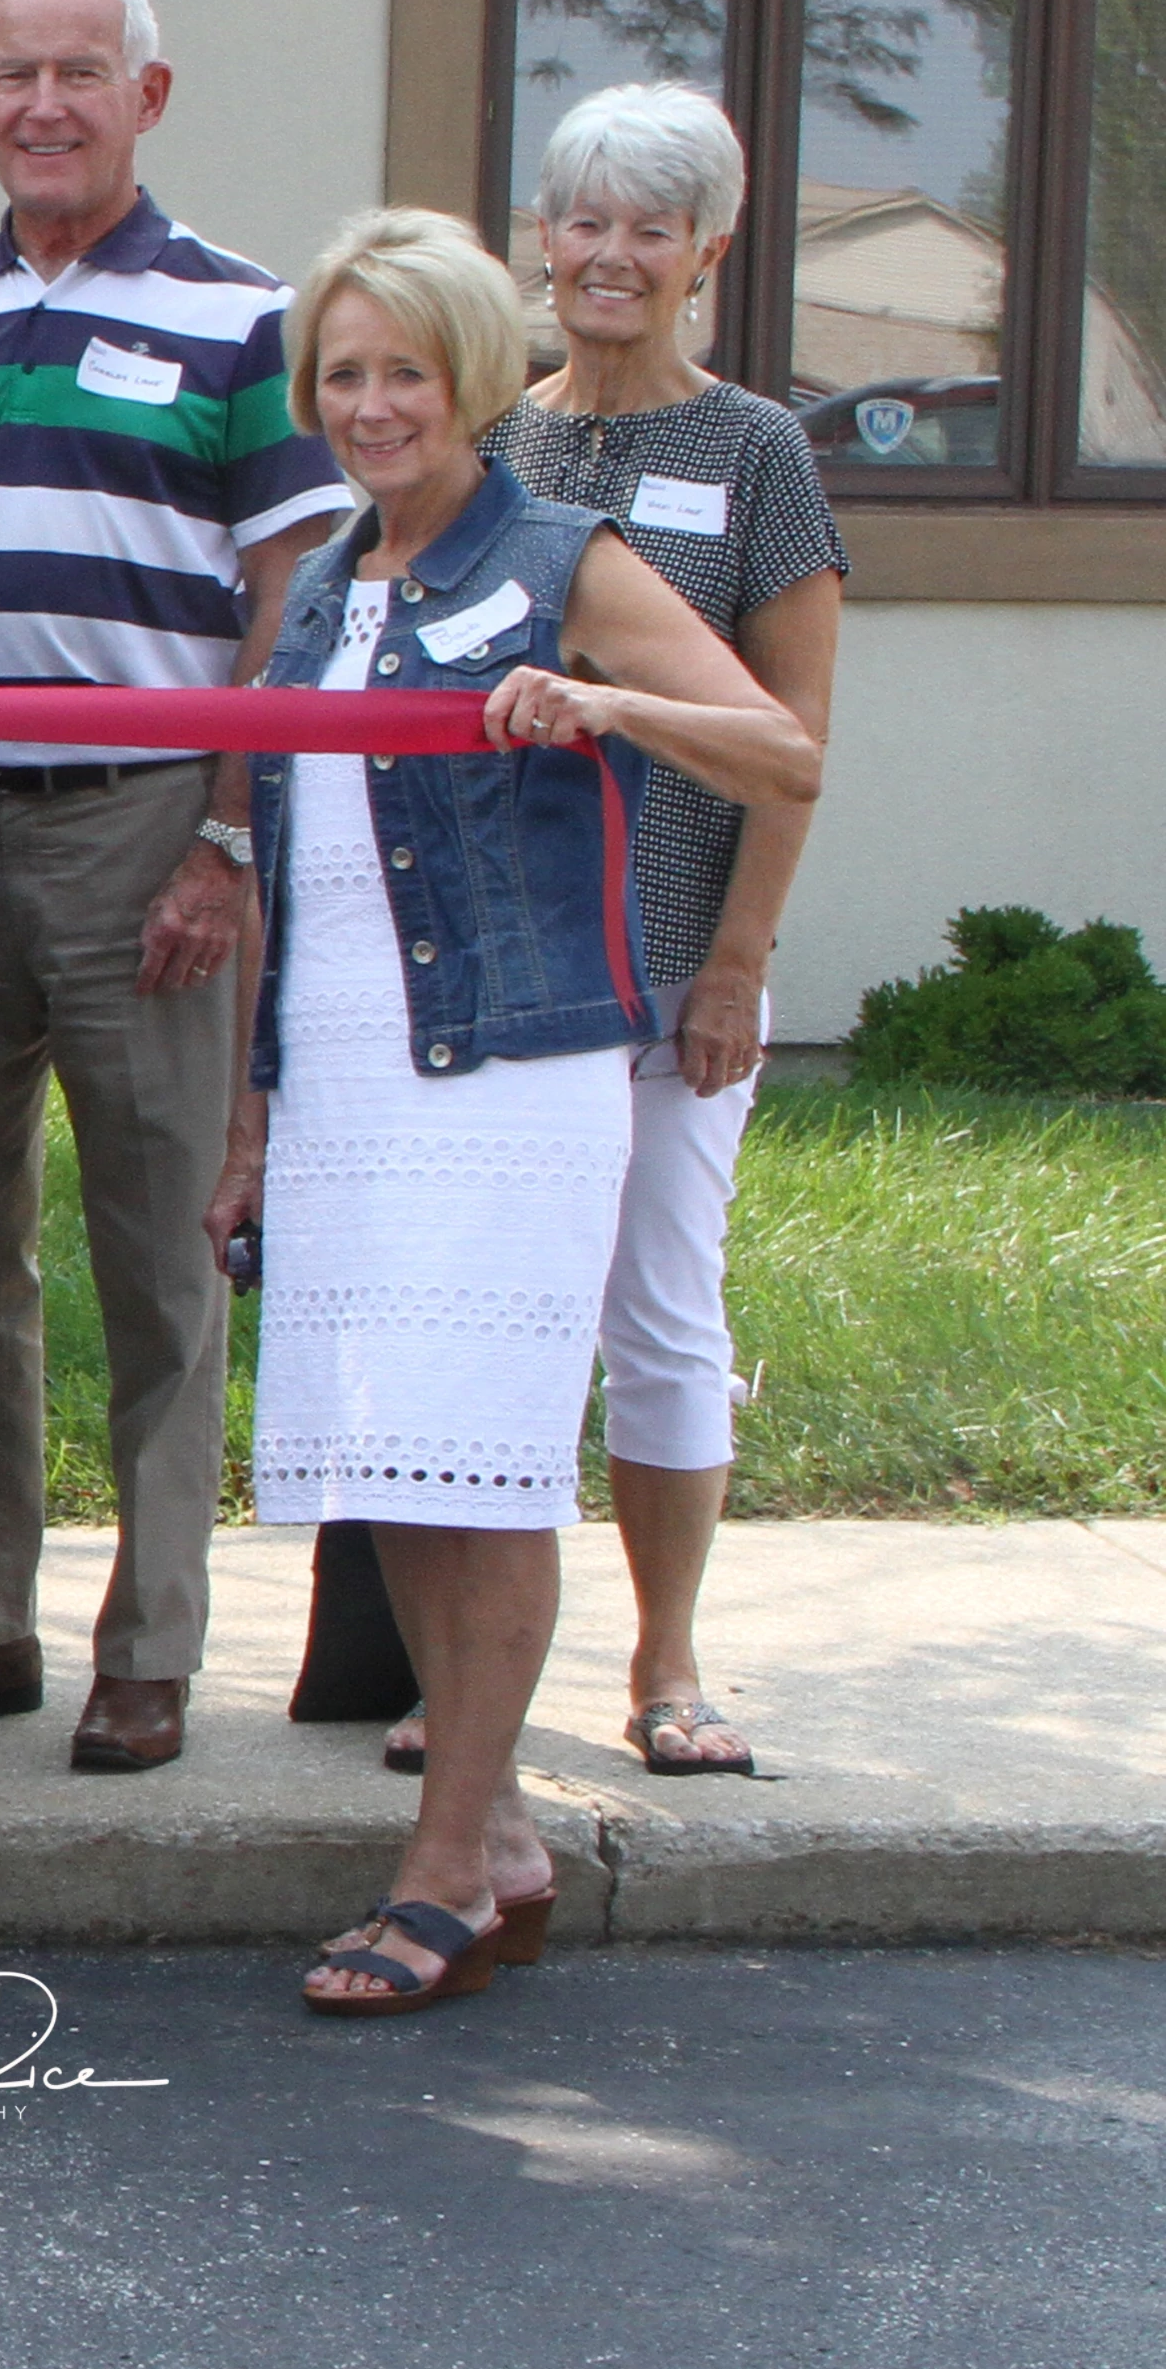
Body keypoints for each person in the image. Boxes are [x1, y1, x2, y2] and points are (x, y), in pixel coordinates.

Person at [210, 210, 816, 2011]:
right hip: (337, 1077)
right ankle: (501, 1845)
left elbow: (780, 747)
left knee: (480, 1465)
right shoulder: (324, 579)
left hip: (503, 1080)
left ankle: (440, 1865)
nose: (368, 403)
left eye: (400, 369)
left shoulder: (560, 554)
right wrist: (250, 1125)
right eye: (340, 373)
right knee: (394, 1457)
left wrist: (596, 699)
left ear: (469, 374)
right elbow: (297, 867)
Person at [0, 0, 339, 1779]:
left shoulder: (239, 315)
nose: (42, 103)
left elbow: (282, 596)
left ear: (147, 93)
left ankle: (152, 1641)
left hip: (145, 819)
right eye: (10, 74)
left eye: (80, 70)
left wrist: (222, 836)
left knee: (156, 1253)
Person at [471, 86, 845, 1781]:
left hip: (671, 952)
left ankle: (667, 1663)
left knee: (657, 1309)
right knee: (502, 1316)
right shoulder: (487, 432)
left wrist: (737, 966)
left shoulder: (753, 451)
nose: (608, 256)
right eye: (582, 220)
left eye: (648, 227)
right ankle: (470, 1683)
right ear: (538, 235)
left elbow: (793, 738)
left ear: (707, 250)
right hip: (507, 959)